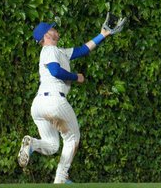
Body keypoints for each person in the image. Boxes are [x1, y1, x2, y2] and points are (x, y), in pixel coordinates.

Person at [18, 20, 115, 185]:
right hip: (54, 101)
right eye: (52, 28)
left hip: (39, 105)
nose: (55, 29)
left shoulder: (59, 51)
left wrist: (103, 35)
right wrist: (76, 77)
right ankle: (61, 178)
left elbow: (82, 50)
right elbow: (55, 71)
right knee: (72, 138)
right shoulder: (49, 50)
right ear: (47, 35)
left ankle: (32, 144)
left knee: (52, 146)